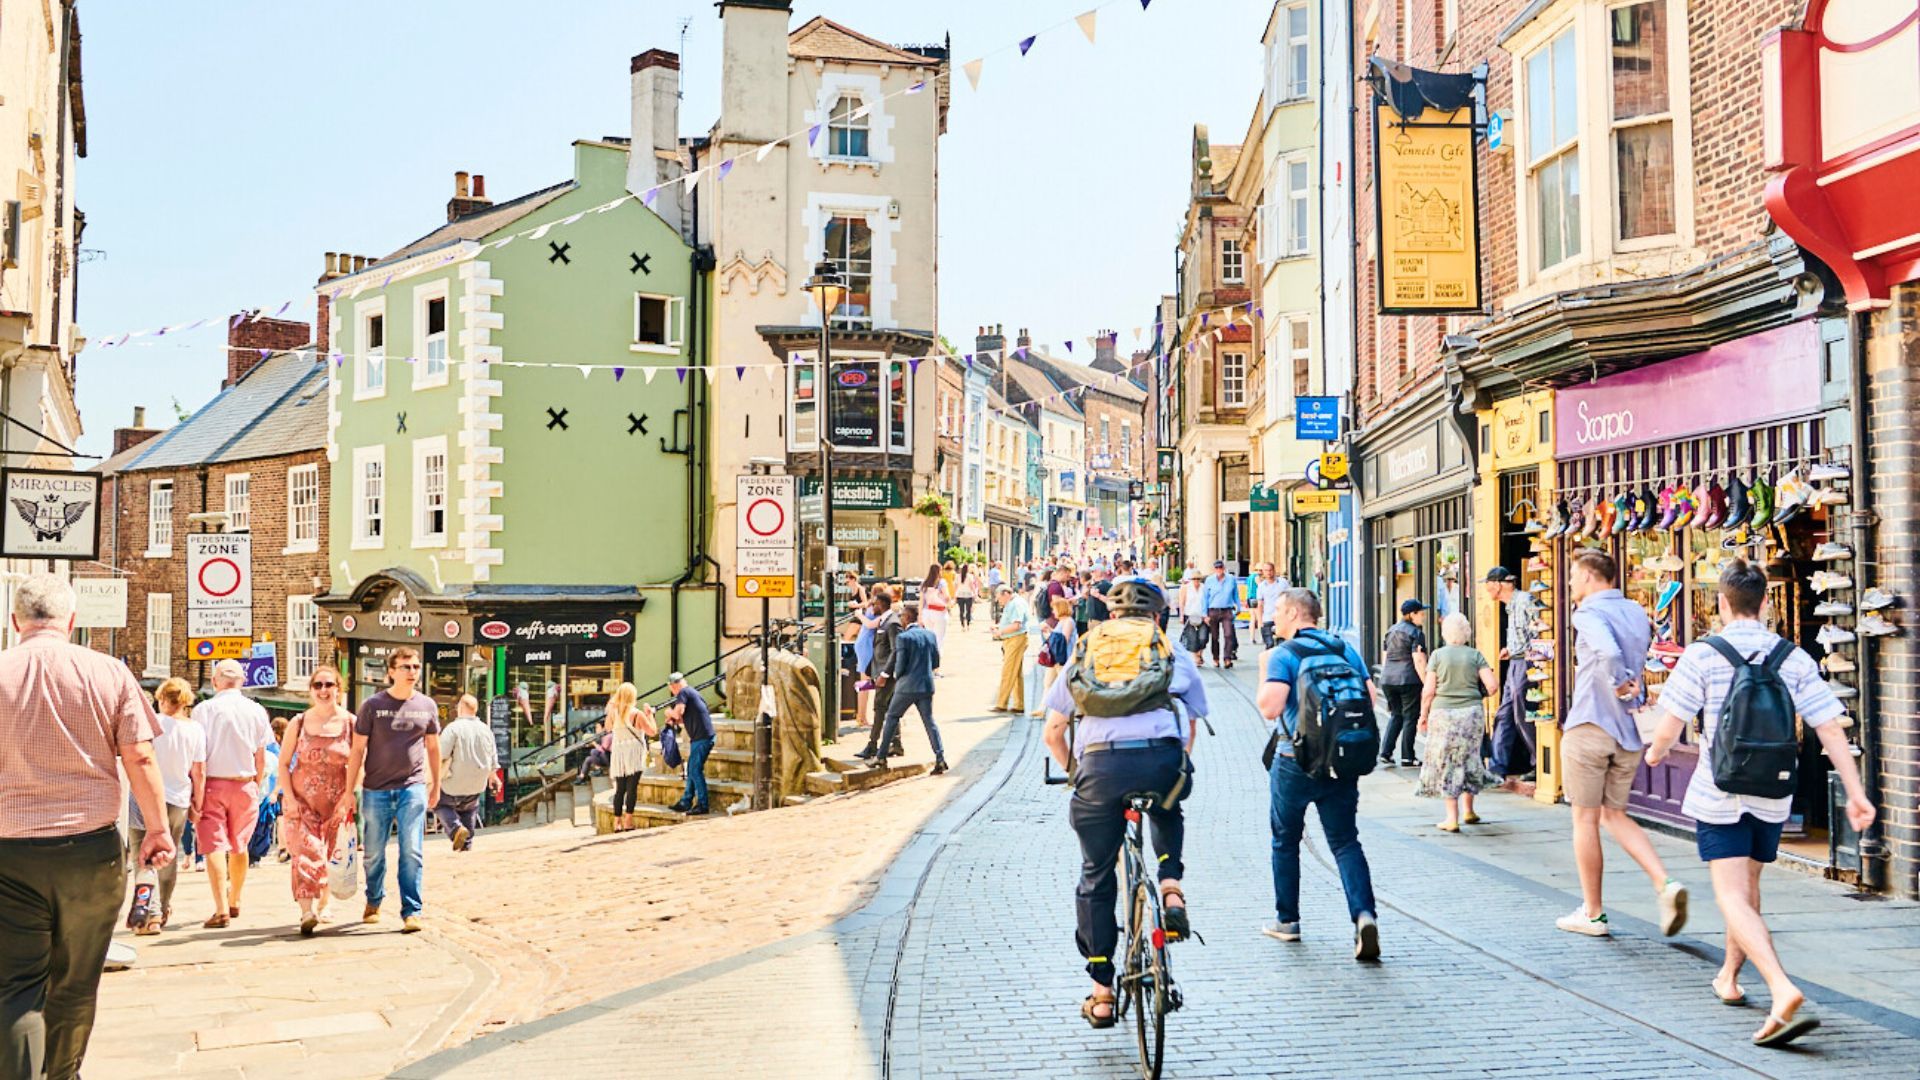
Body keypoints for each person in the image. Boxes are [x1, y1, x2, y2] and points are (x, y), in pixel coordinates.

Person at [1644, 560, 1876, 1049]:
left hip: (1720, 791)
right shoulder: (1793, 657)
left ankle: (1780, 986)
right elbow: (1830, 727)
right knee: (1748, 890)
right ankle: (1729, 977)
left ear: (1722, 605)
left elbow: (1669, 727)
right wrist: (1855, 794)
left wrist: (1655, 753)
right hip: (1773, 793)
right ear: (1766, 602)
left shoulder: (1703, 654)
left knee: (1730, 896)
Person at [0, 575, 174, 1080]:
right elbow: (140, 756)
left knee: (16, 984)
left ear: (16, 621)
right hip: (89, 850)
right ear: (72, 621)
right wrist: (158, 829)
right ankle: (63, 1073)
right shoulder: (109, 673)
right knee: (76, 982)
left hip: (9, 850)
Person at [1041, 577, 1207, 1029]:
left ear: (1111, 617)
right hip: (1160, 763)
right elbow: (1189, 728)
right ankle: (1170, 883)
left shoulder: (1087, 650)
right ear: (1158, 617)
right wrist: (1176, 765)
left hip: (1099, 769)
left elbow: (1052, 732)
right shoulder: (1171, 653)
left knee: (1096, 876)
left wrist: (1079, 775)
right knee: (1169, 804)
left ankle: (1102, 992)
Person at [1557, 548, 1687, 939]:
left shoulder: (1588, 614)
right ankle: (1664, 883)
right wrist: (1632, 687)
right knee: (1614, 815)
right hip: (1629, 732)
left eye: (1574, 576)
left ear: (1591, 578)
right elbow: (1640, 656)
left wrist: (1617, 681)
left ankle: (1593, 913)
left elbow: (1610, 653)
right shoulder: (1635, 610)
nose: (1570, 583)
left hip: (1591, 724)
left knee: (1584, 819)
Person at [1256, 588, 1382, 961]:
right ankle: (1363, 916)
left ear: (1296, 614)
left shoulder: (1284, 655)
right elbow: (1369, 699)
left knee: (1285, 840)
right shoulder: (1346, 650)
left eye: (1278, 611)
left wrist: (1265, 669)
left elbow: (1269, 707)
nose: (1273, 618)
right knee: (1345, 842)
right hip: (1341, 761)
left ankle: (1288, 921)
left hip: (1293, 760)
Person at [344, 645, 442, 933]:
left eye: (415, 667)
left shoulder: (427, 706)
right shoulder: (372, 706)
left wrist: (435, 783)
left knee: (412, 850)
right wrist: (350, 790)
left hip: (412, 787)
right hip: (375, 789)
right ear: (391, 672)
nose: (412, 672)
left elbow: (433, 747)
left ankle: (411, 911)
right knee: (374, 852)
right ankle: (373, 899)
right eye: (406, 667)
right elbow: (357, 750)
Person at [195, 658, 274, 928]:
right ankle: (235, 899)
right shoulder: (256, 710)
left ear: (216, 681)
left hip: (212, 784)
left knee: (213, 846)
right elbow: (261, 757)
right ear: (242, 681)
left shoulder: (203, 710)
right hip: (245, 783)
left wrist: (196, 792)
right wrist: (256, 784)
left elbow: (198, 758)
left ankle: (220, 910)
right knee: (240, 846)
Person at [279, 665, 354, 936]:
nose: (324, 690)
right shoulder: (298, 723)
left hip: (337, 802)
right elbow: (284, 764)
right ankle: (306, 911)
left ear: (338, 689)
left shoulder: (350, 723)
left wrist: (350, 796)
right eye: (318, 685)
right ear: (311, 690)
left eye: (329, 685)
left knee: (330, 856)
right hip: (303, 801)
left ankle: (324, 904)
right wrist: (289, 798)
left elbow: (360, 764)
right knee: (307, 854)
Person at [127, 677, 206, 934]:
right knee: (168, 858)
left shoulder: (153, 723)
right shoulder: (195, 730)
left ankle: (148, 914)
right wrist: (198, 804)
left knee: (143, 858)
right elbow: (199, 771)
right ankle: (161, 910)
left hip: (144, 798)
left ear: (161, 699)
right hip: (179, 800)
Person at [1415, 613, 1499, 831]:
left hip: (1443, 714)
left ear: (1445, 633)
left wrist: (1423, 715)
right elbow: (1492, 686)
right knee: (1470, 757)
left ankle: (1451, 818)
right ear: (1467, 632)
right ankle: (1469, 811)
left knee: (1448, 762)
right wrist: (1473, 694)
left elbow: (1429, 690)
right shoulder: (1475, 655)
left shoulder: (1437, 656)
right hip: (1471, 714)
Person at [874, 603, 948, 774]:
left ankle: (881, 756)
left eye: (901, 617)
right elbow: (936, 661)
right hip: (926, 685)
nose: (900, 619)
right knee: (929, 721)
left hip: (907, 686)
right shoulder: (930, 635)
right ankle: (940, 757)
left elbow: (899, 667)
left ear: (906, 618)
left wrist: (897, 678)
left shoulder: (903, 638)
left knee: (892, 717)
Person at [1483, 566, 1540, 780]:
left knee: (1522, 713)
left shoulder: (1524, 600)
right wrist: (1511, 648)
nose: (1487, 589)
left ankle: (1538, 764)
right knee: (1504, 714)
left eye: (1489, 584)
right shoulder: (1509, 606)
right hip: (1515, 662)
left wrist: (1525, 653)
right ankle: (1497, 768)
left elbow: (1539, 631)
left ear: (1498, 584)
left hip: (1526, 663)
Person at [438, 693, 505, 846]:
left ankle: (456, 829)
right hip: (477, 783)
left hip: (453, 783)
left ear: (460, 708)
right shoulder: (486, 730)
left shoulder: (453, 729)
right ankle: (466, 842)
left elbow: (442, 754)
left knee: (440, 804)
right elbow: (493, 755)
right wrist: (493, 776)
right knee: (469, 809)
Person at [1378, 599, 1430, 768]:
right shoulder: (1416, 633)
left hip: (1388, 679)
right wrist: (1427, 682)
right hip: (1408, 679)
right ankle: (1408, 756)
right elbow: (1419, 661)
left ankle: (1385, 752)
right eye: (1420, 613)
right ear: (1411, 614)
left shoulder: (1390, 631)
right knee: (1410, 717)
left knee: (1396, 715)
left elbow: (1384, 658)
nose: (1422, 617)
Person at [856, 591, 906, 760]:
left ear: (882, 604)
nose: (872, 606)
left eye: (875, 604)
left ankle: (872, 745)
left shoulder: (892, 623)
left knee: (879, 708)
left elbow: (895, 650)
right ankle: (896, 744)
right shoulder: (884, 621)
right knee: (890, 709)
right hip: (879, 671)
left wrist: (884, 674)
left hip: (886, 675)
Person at [602, 684, 655, 832]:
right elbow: (652, 731)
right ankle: (628, 822)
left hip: (619, 753)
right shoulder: (637, 714)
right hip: (634, 753)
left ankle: (616, 822)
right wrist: (650, 714)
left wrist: (613, 704)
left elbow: (607, 728)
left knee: (620, 789)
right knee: (632, 788)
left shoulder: (613, 713)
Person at [663, 673, 715, 815]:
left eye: (671, 688)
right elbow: (682, 718)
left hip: (702, 738)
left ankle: (703, 804)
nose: (672, 691)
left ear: (675, 685)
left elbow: (678, 712)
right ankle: (686, 801)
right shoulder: (691, 693)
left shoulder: (683, 692)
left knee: (694, 770)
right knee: (693, 770)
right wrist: (674, 719)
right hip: (701, 737)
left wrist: (668, 712)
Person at [990, 585, 1031, 713]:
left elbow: (1016, 625)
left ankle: (1002, 703)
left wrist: (1000, 632)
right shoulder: (1015, 602)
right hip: (1015, 639)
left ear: (1005, 594)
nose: (998, 601)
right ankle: (1019, 704)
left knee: (1008, 671)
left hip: (1016, 639)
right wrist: (999, 627)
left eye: (999, 598)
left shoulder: (1015, 604)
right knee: (1016, 672)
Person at [1254, 562, 1290, 649]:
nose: (1269, 572)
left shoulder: (1283, 583)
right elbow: (1260, 604)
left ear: (1274, 571)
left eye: (1270, 570)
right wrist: (1260, 621)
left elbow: (1290, 598)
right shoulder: (1261, 586)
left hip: (1282, 617)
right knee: (1269, 644)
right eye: (1266, 570)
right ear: (1263, 572)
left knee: (1282, 645)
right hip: (1267, 618)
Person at [1177, 567, 1209, 666]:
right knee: (1193, 639)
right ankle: (1196, 658)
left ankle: (1199, 655)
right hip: (1189, 615)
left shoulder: (1204, 588)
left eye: (1198, 579)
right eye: (1194, 579)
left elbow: (1207, 602)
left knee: (1203, 638)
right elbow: (1181, 603)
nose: (1196, 581)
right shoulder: (1185, 588)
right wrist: (1181, 616)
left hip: (1202, 615)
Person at [920, 563, 951, 650]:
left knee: (929, 637)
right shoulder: (941, 582)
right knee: (939, 638)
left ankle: (929, 656)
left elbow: (921, 601)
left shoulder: (924, 583)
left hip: (927, 612)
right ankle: (936, 657)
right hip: (939, 612)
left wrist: (920, 616)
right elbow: (947, 597)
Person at [955, 564, 978, 630]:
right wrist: (974, 593)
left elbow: (956, 586)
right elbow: (972, 586)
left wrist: (955, 595)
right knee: (968, 611)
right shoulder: (970, 576)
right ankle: (967, 624)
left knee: (961, 611)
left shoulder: (958, 577)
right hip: (968, 595)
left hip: (960, 595)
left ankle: (962, 625)